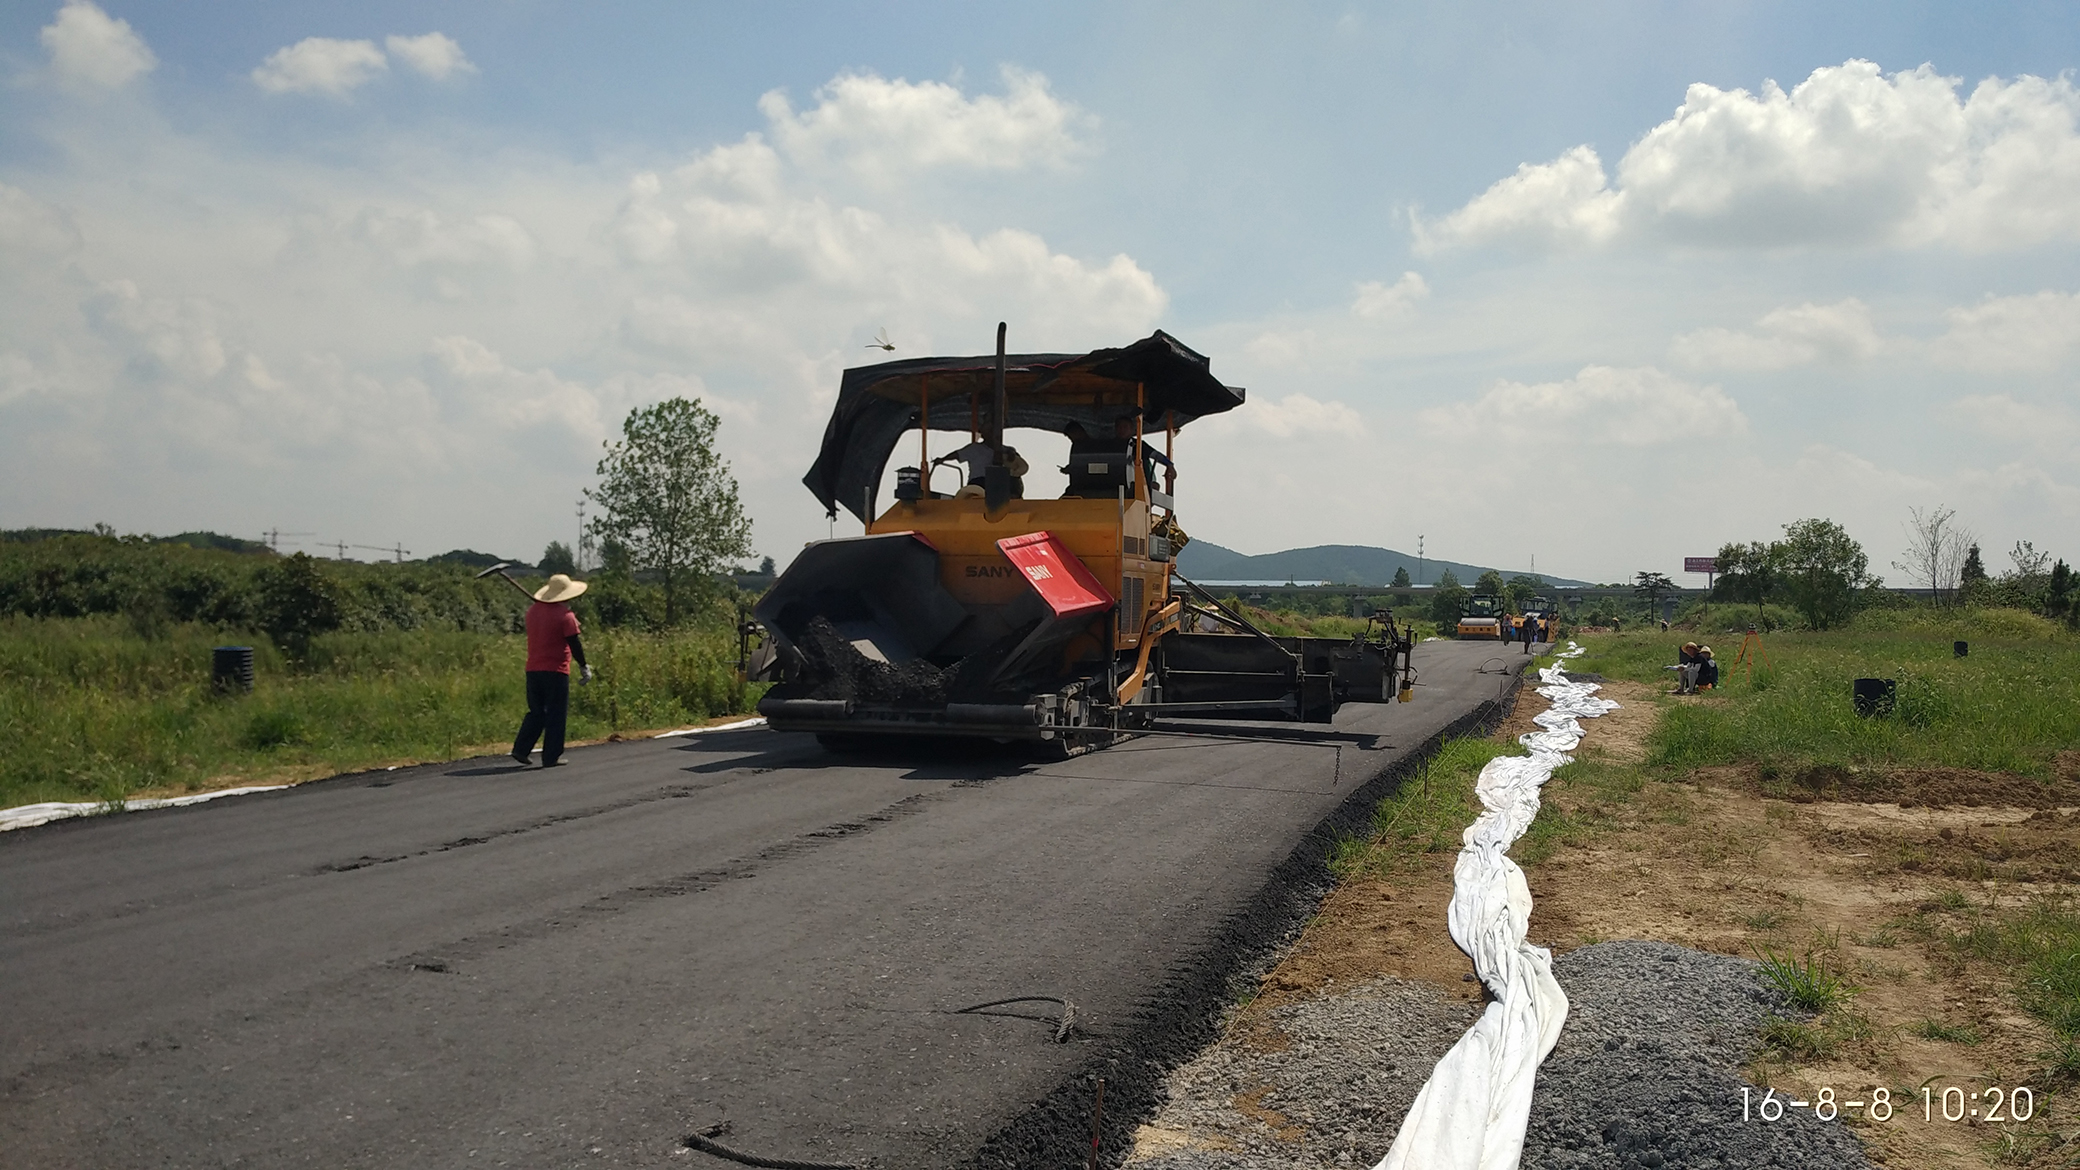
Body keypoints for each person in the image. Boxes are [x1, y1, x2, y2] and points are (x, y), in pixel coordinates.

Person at [513, 573, 593, 768]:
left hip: (533, 669)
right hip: (556, 670)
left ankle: (521, 748)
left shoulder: (532, 611)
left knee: (537, 712)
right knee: (556, 713)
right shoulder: (566, 616)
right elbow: (574, 643)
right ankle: (551, 756)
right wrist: (583, 666)